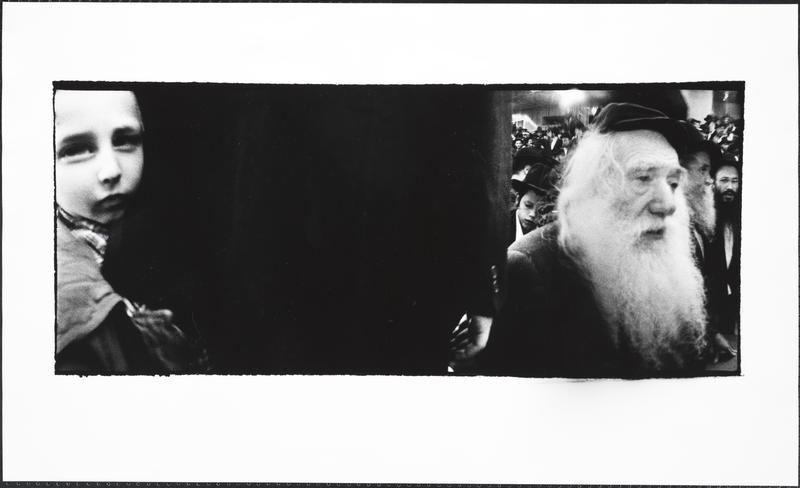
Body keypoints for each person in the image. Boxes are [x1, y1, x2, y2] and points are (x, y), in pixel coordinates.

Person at [482, 103, 708, 378]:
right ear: (595, 185)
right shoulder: (530, 269)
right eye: (643, 178)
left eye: (672, 183)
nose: (668, 204)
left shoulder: (672, 267)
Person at [55, 90, 207, 373]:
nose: (111, 170)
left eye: (125, 141)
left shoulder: (141, 233)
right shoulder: (58, 287)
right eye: (75, 150)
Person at [679, 125, 737, 362]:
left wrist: (710, 335)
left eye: (709, 170)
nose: (708, 179)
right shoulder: (671, 227)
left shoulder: (698, 224)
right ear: (680, 173)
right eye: (703, 170)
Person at [708, 154, 741, 335]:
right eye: (724, 180)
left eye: (735, 181)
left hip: (734, 309)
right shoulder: (705, 222)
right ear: (713, 183)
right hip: (710, 310)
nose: (730, 187)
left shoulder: (743, 221)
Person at [508, 153, 560, 245]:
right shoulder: (499, 227)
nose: (533, 214)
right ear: (517, 200)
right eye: (528, 205)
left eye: (541, 210)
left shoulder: (551, 235)